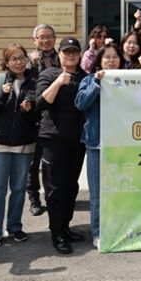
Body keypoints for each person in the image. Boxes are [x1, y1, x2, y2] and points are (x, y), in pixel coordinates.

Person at [0, 43, 39, 250]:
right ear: (6, 62)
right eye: (13, 59)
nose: (19, 62)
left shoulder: (33, 82)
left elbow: (39, 113)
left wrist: (29, 109)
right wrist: (2, 95)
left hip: (25, 143)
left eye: (22, 57)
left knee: (19, 188)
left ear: (27, 59)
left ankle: (14, 227)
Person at [35, 36, 87, 254]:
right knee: (55, 189)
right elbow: (40, 103)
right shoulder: (49, 74)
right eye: (67, 51)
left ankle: (65, 227)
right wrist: (58, 82)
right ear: (60, 54)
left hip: (77, 141)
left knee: (71, 186)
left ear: (80, 54)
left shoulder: (85, 77)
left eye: (75, 51)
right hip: (53, 140)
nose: (71, 55)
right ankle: (56, 233)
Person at [75, 42, 123, 249]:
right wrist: (96, 82)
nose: (111, 60)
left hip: (122, 145)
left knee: (121, 190)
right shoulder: (88, 79)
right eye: (107, 57)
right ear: (99, 61)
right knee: (97, 193)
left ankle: (119, 228)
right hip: (97, 144)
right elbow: (80, 104)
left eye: (115, 57)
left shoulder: (127, 80)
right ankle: (98, 232)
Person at [26, 23, 59, 217]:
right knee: (33, 162)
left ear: (54, 39)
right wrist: (30, 65)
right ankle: (33, 198)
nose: (45, 40)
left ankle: (53, 197)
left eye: (49, 37)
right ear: (35, 40)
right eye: (41, 37)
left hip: (54, 116)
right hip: (33, 117)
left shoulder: (61, 58)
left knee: (52, 162)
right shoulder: (28, 60)